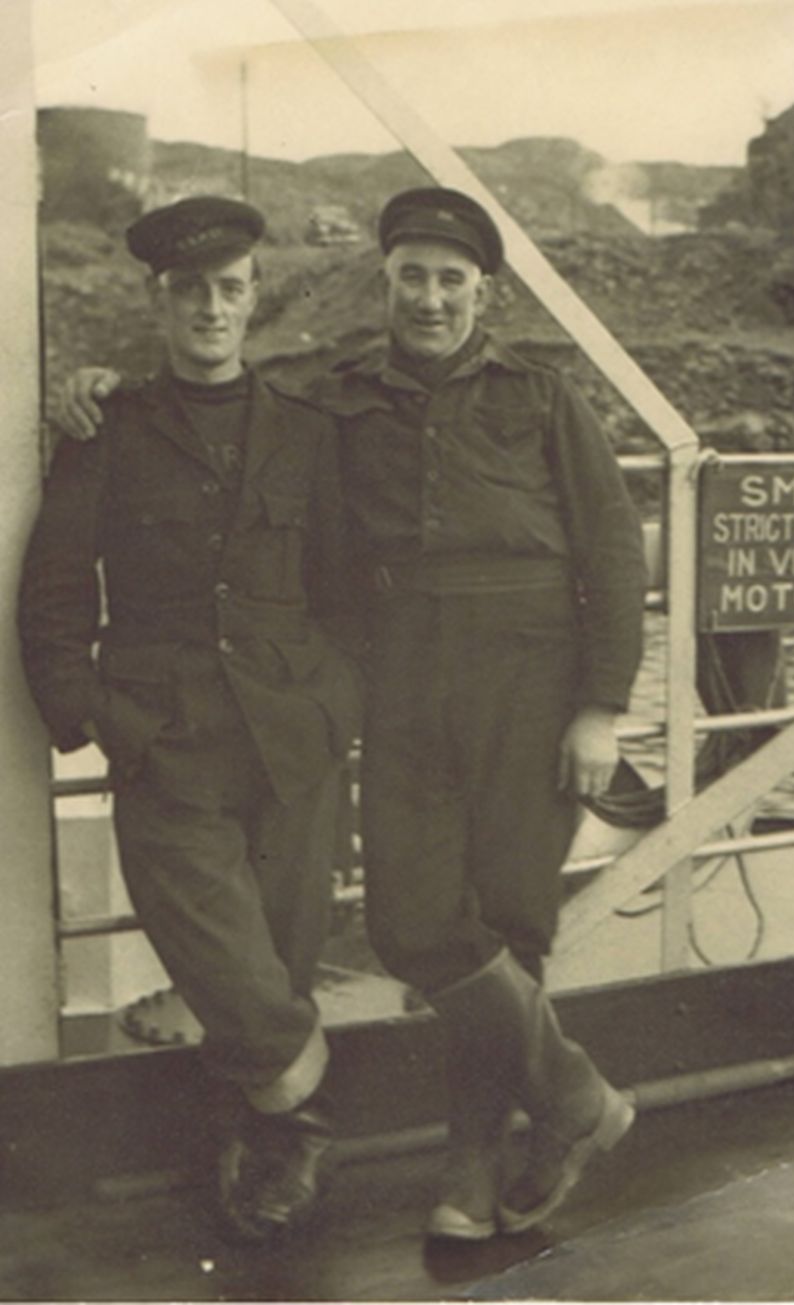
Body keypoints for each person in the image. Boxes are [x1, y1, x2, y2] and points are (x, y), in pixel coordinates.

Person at [55, 186, 648, 1243]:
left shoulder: (544, 398)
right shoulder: (334, 402)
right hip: (407, 694)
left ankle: (474, 1167)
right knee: (413, 925)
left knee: (505, 931)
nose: (428, 298)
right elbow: (262, 482)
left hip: (528, 693)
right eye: (410, 276)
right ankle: (574, 1099)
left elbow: (610, 556)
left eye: (449, 280)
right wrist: (85, 388)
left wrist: (600, 708)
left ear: (482, 291)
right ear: (382, 283)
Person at [19, 195, 363, 1244]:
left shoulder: (308, 429)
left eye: (228, 289)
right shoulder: (106, 428)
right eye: (188, 292)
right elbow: (56, 593)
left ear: (255, 297)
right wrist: (96, 720)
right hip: (167, 741)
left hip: (293, 738)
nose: (210, 309)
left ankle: (256, 1148)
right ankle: (297, 1100)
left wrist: (334, 706)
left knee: (281, 952)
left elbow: (346, 591)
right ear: (156, 301)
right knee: (224, 953)